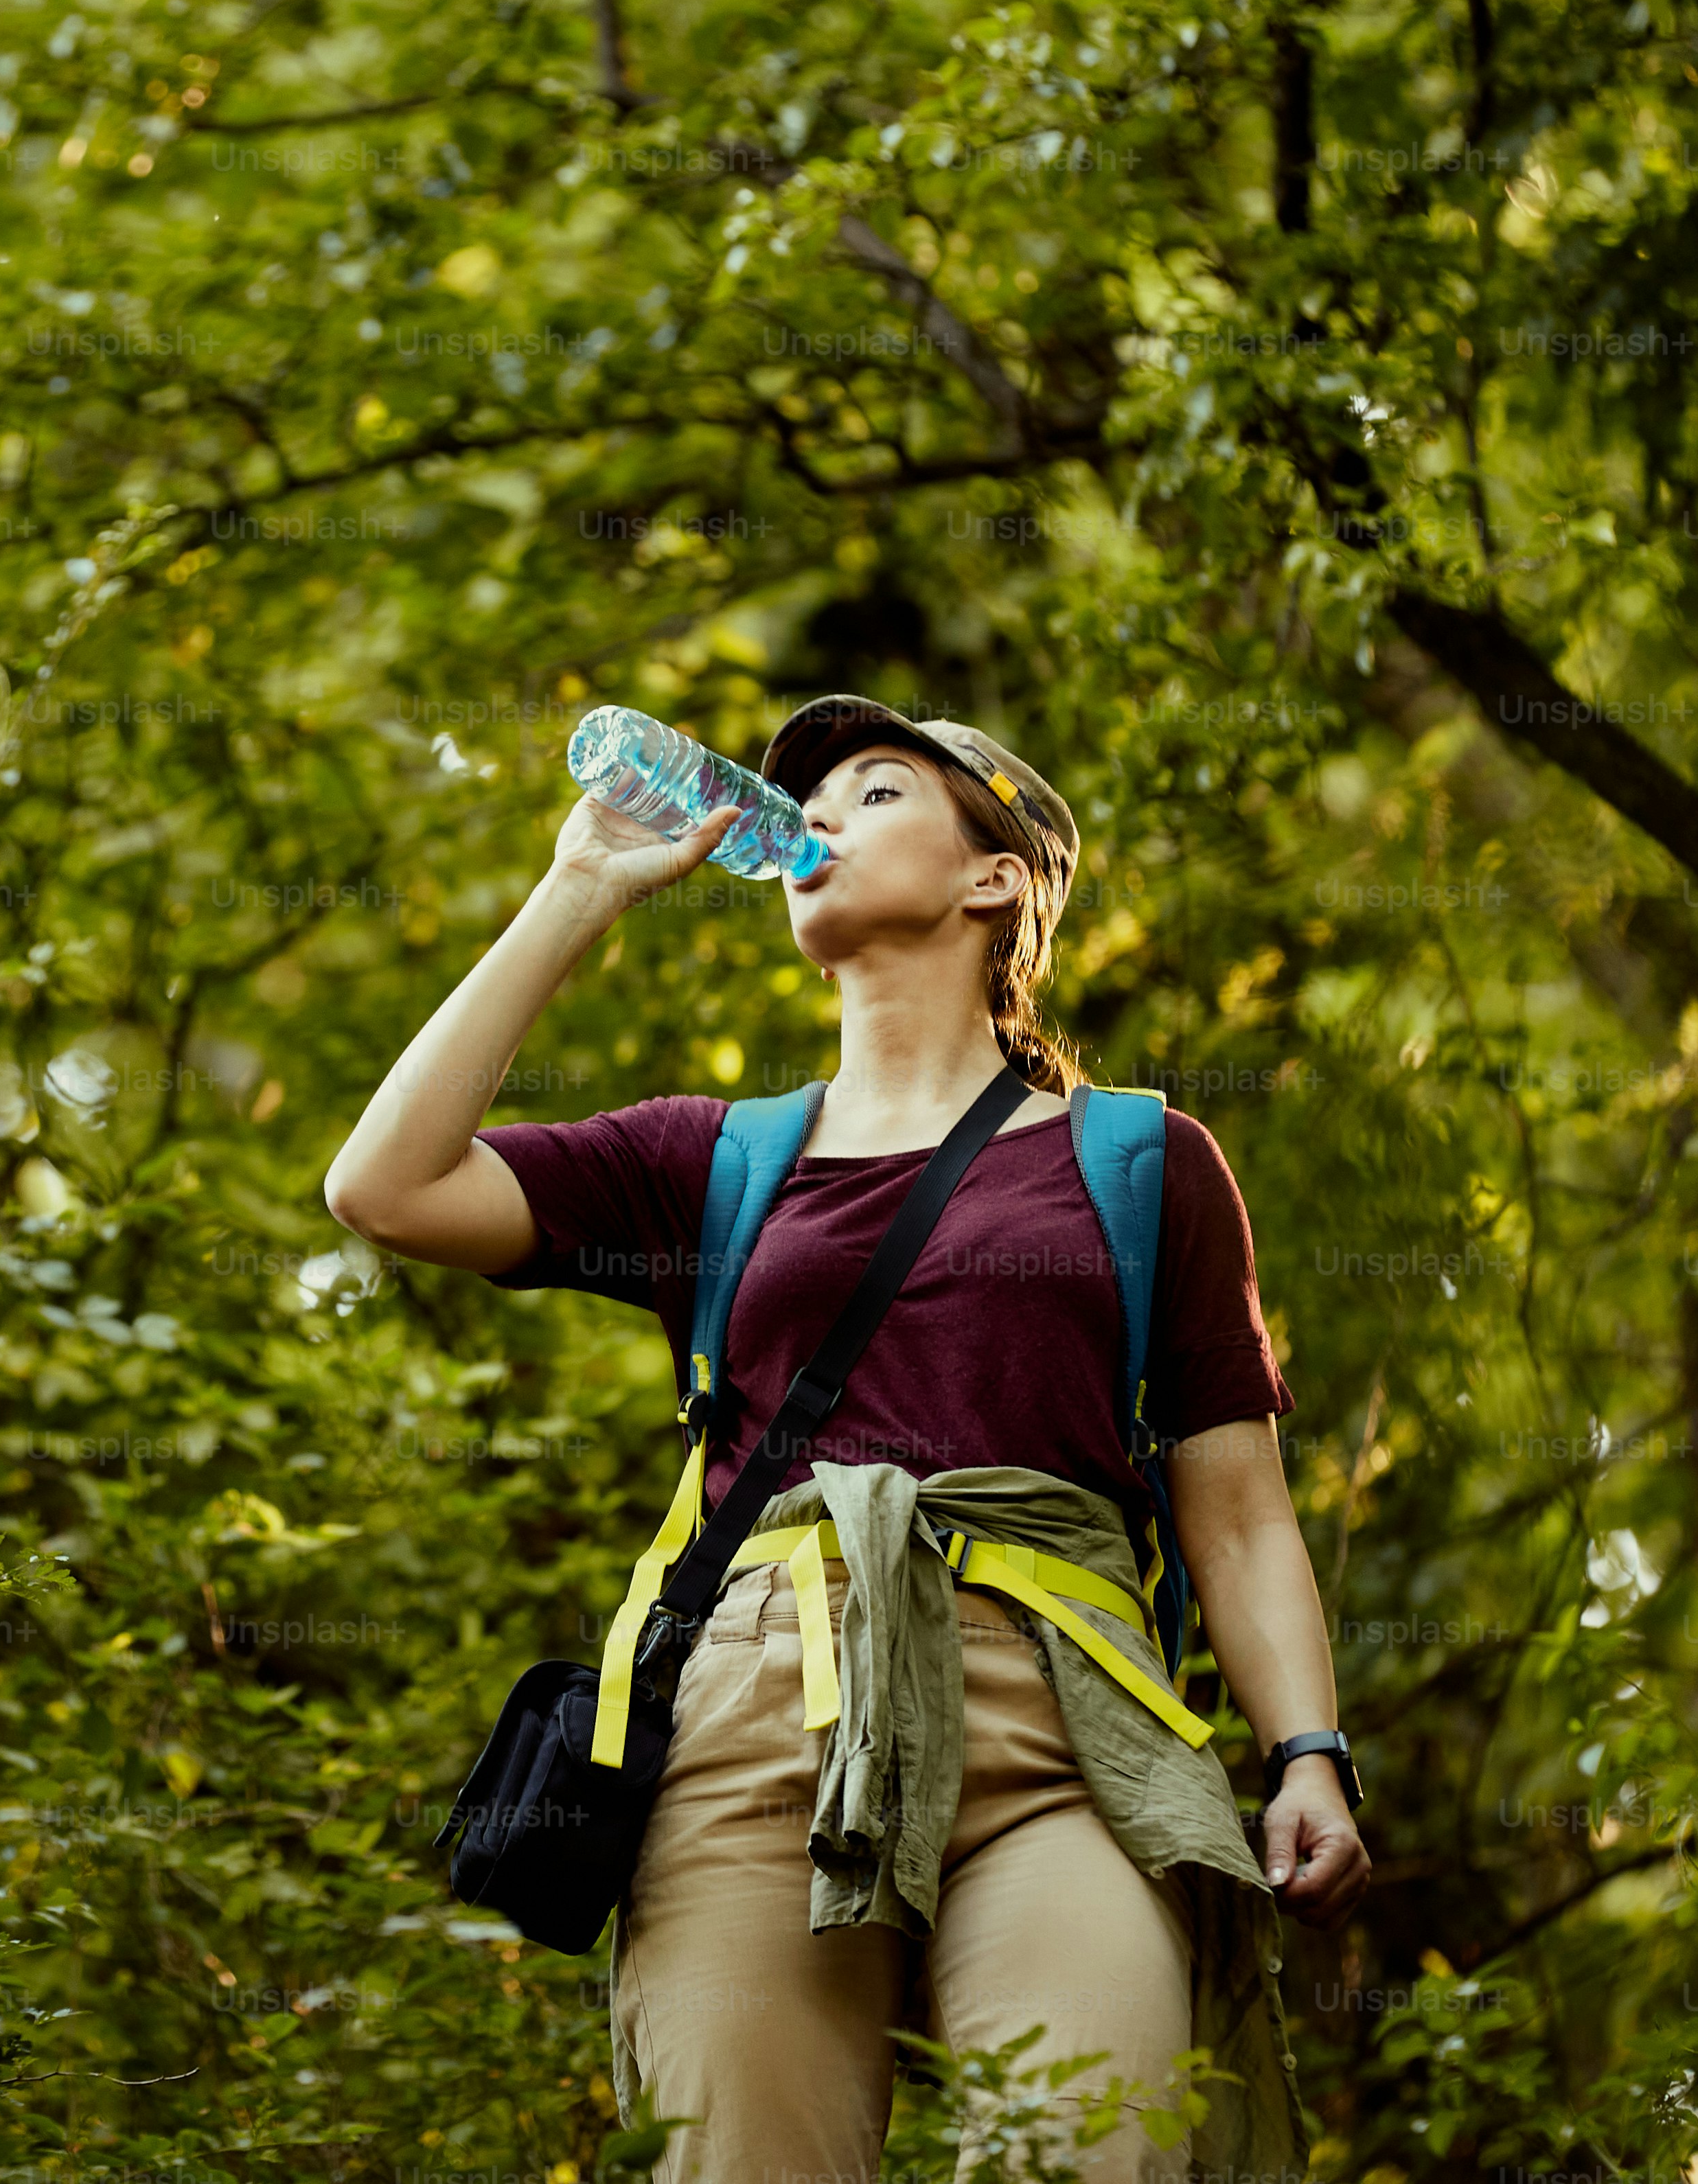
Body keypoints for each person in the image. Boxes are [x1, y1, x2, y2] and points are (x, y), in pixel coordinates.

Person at [326, 694, 1367, 2183]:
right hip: (752, 1726)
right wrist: (578, 889)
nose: (812, 814)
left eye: (875, 792)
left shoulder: (1138, 1159)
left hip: (1062, 1725)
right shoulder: (713, 1160)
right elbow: (383, 1187)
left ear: (991, 878)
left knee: (1090, 2151)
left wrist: (1307, 1755)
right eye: (807, 795)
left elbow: (1241, 1514)